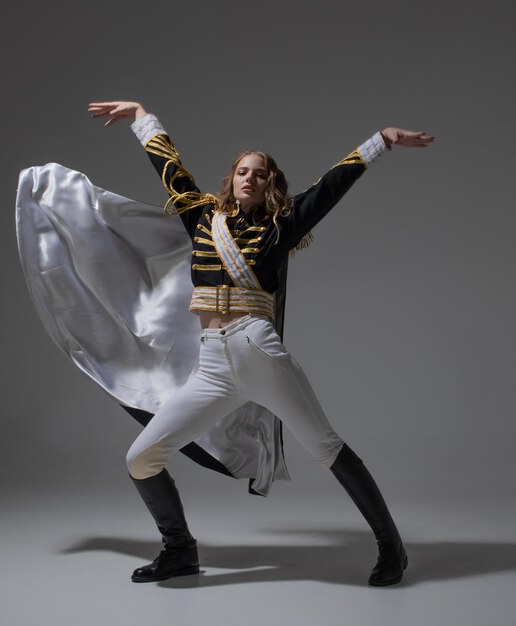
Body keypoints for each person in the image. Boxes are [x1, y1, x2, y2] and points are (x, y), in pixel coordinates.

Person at [78, 100, 432, 586]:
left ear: (271, 184)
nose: (249, 178)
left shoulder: (284, 224)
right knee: (142, 456)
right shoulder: (203, 217)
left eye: (259, 173)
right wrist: (141, 116)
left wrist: (382, 141)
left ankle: (392, 547)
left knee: (326, 446)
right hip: (212, 365)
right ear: (231, 178)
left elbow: (332, 184)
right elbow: (169, 167)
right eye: (242, 171)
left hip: (258, 349)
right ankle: (180, 550)